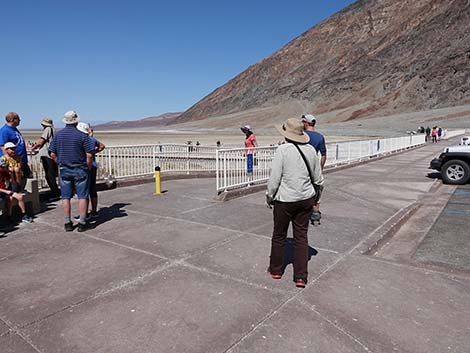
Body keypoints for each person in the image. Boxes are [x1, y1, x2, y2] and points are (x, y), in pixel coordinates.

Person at [266, 118, 324, 288]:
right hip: (306, 200)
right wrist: (316, 199)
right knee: (301, 237)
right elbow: (319, 179)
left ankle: (276, 269)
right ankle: (300, 277)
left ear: (286, 134)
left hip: (284, 201)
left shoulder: (282, 150)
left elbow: (275, 179)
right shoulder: (311, 151)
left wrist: (270, 196)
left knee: (279, 235)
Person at [48, 111, 95, 232]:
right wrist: (88, 167)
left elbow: (52, 153)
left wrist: (59, 161)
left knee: (65, 197)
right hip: (80, 169)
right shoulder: (83, 136)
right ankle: (82, 223)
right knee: (83, 196)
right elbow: (89, 155)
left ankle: (67, 222)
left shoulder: (58, 135)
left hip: (64, 169)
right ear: (76, 121)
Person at [301, 114, 326, 225]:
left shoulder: (302, 135)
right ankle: (315, 214)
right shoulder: (320, 137)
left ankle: (301, 212)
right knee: (317, 189)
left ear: (306, 123)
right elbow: (324, 155)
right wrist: (320, 168)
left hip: (302, 167)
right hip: (314, 167)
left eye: (303, 121)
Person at [76, 122, 105, 218]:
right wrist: (94, 152)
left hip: (85, 167)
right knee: (92, 189)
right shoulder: (92, 140)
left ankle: (84, 214)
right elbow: (102, 146)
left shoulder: (80, 140)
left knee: (84, 191)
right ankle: (94, 211)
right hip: (93, 166)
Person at [29, 117, 60, 199]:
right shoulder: (54, 130)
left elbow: (41, 141)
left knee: (49, 175)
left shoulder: (48, 129)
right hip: (52, 154)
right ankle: (55, 191)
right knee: (51, 174)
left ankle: (55, 193)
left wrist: (33, 147)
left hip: (47, 154)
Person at [0, 112, 31, 190]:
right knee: (14, 178)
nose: (20, 121)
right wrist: (8, 158)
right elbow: (2, 145)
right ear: (12, 120)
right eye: (18, 119)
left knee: (24, 177)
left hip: (20, 159)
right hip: (12, 161)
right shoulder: (5, 130)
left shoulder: (14, 129)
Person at [0, 159, 33, 223]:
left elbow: (11, 181)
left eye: (5, 167)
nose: (4, 168)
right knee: (10, 199)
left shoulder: (4, 172)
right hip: (2, 191)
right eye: (2, 167)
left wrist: (11, 174)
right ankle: (8, 216)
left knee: (20, 197)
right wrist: (6, 191)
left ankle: (24, 215)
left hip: (5, 190)